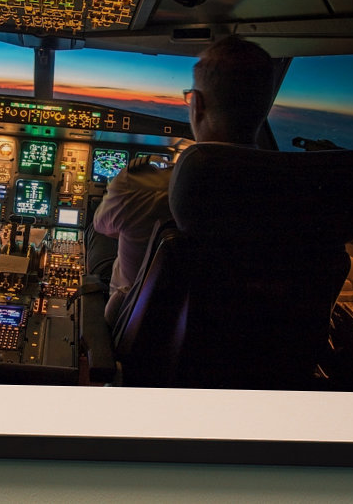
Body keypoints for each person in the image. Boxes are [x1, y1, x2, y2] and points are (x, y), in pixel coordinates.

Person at [93, 35, 274, 325]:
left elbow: (101, 226)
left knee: (98, 238)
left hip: (136, 330)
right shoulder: (289, 194)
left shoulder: (139, 183)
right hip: (240, 337)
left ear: (197, 104)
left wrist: (123, 192)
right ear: (263, 107)